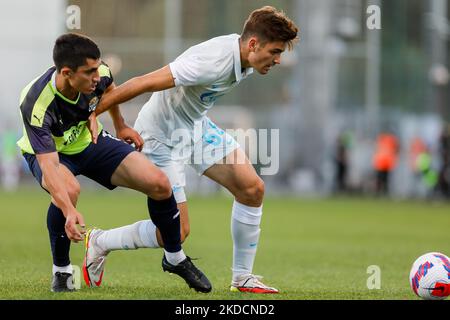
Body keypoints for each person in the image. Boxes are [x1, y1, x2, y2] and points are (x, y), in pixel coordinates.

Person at [86, 6, 299, 294]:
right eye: (274, 52)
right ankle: (100, 241)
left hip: (196, 129)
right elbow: (143, 83)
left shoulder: (246, 58)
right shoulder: (211, 62)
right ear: (253, 44)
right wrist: (94, 112)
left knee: (252, 189)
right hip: (162, 136)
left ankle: (242, 278)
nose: (276, 60)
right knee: (177, 232)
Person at [17, 33, 211, 293]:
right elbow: (50, 167)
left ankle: (175, 258)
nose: (97, 76)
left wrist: (120, 126)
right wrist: (68, 209)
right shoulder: (37, 103)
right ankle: (62, 271)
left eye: (97, 68)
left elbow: (109, 88)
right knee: (69, 191)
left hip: (88, 142)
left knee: (160, 184)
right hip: (51, 155)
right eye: (89, 72)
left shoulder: (99, 74)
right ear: (66, 73)